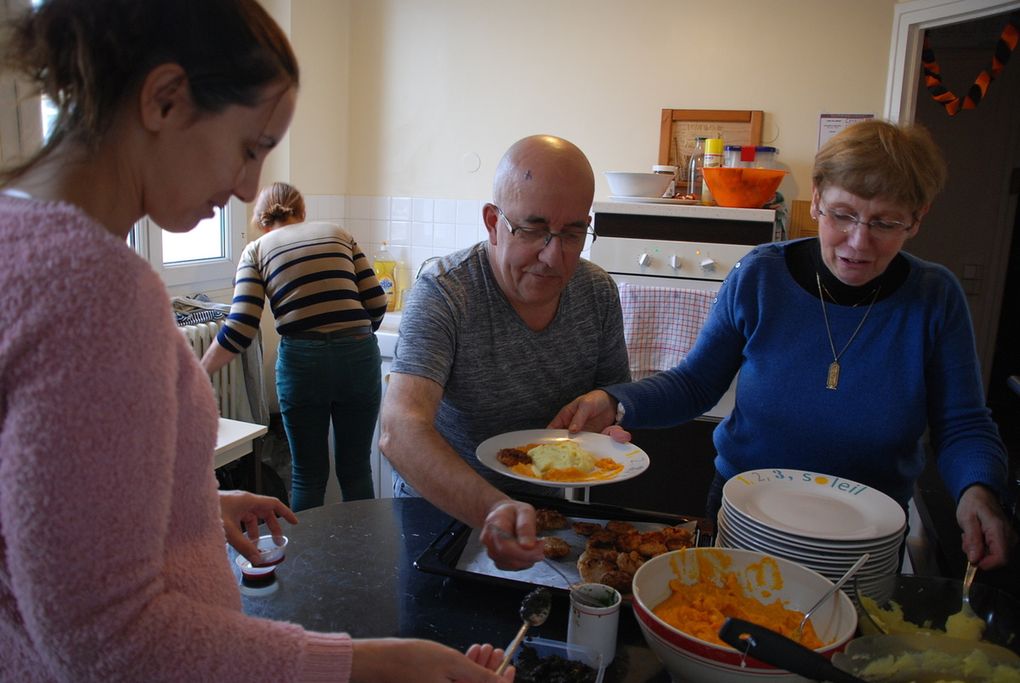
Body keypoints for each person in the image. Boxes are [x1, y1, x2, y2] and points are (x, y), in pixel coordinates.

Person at [0, 1, 512, 681]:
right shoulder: (97, 289)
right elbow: (109, 641)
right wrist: (374, 662)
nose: (247, 186)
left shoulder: (18, 241)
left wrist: (192, 502)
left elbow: (36, 522)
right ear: (164, 98)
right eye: (250, 146)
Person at [552, 119, 1013, 571]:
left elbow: (964, 423)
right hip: (748, 514)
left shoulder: (935, 297)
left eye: (885, 223)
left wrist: (979, 490)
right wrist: (615, 401)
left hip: (863, 542)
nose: (859, 241)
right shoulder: (761, 276)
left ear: (917, 219)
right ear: (816, 200)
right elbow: (695, 384)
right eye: (843, 214)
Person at [379, 134, 631, 570]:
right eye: (533, 230)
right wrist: (494, 510)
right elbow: (399, 429)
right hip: (439, 517)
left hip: (546, 517)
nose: (554, 257)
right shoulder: (445, 291)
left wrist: (610, 419)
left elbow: (613, 396)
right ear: (493, 222)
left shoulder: (597, 293)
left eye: (572, 234)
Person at [202, 181, 387, 511]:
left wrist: (200, 371)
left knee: (308, 475)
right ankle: (362, 557)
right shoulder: (338, 233)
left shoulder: (256, 250)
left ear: (261, 221)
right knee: (356, 469)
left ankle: (305, 561)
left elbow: (242, 328)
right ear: (302, 213)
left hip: (304, 363)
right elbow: (375, 302)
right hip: (359, 355)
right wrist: (351, 339)